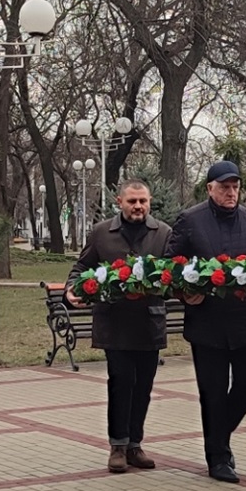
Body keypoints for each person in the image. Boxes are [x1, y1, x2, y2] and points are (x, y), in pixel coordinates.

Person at [168, 160, 246, 482]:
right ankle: (218, 459)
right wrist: (185, 294)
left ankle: (217, 437)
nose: (230, 192)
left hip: (243, 322)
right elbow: (171, 267)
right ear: (210, 188)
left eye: (235, 186)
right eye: (224, 186)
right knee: (211, 391)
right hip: (206, 325)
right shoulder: (190, 220)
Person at [68, 179, 171, 473]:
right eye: (132, 201)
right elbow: (81, 267)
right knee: (121, 381)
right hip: (114, 322)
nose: (138, 206)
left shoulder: (163, 233)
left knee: (144, 387)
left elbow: (174, 269)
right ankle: (117, 445)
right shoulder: (102, 233)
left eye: (143, 201)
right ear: (119, 202)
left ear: (149, 202)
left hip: (148, 322)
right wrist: (72, 288)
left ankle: (135, 444)